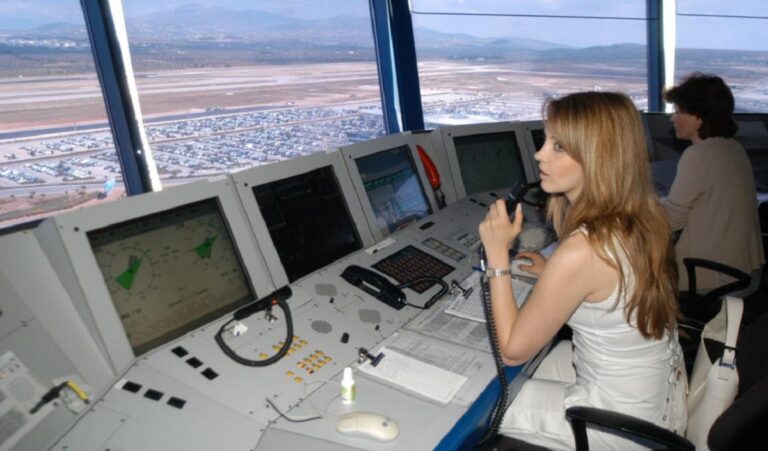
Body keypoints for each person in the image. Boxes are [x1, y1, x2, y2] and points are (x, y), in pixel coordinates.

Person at [479, 91, 687, 450]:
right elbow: (606, 285)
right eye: (545, 140)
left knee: (482, 404)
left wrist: (497, 255)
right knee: (530, 368)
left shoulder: (584, 249)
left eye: (558, 146)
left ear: (598, 157)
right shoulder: (641, 218)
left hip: (620, 428)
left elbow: (513, 350)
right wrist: (552, 271)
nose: (539, 154)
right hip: (660, 403)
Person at [663, 73, 764, 295]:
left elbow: (672, 220)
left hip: (711, 278)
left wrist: (636, 210)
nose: (672, 119)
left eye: (679, 112)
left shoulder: (698, 155)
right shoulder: (734, 148)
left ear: (699, 117)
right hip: (743, 271)